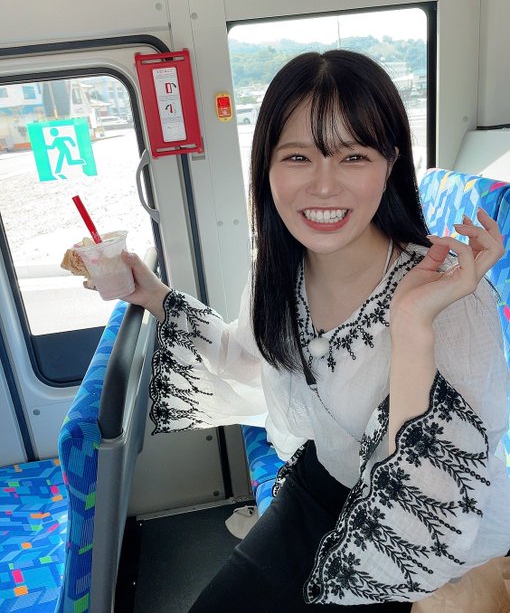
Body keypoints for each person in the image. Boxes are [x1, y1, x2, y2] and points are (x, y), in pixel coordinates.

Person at [119, 50, 510, 611]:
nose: (324, 186)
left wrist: (411, 327)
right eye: (298, 156)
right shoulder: (281, 273)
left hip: (431, 532)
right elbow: (244, 355)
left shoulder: (452, 298)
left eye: (353, 156)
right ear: (267, 167)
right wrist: (153, 293)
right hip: (321, 486)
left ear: (389, 165)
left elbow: (434, 495)